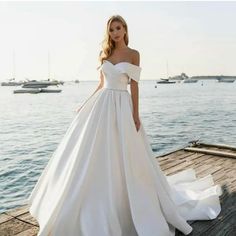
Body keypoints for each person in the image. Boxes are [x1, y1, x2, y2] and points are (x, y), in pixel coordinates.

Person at [28, 15, 222, 236]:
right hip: (102, 106)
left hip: (122, 106)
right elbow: (101, 85)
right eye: (111, 30)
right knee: (93, 153)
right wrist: (84, 104)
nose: (115, 33)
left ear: (125, 29)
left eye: (118, 28)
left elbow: (135, 87)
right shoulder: (105, 54)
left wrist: (135, 114)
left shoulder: (133, 54)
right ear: (108, 32)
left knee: (125, 153)